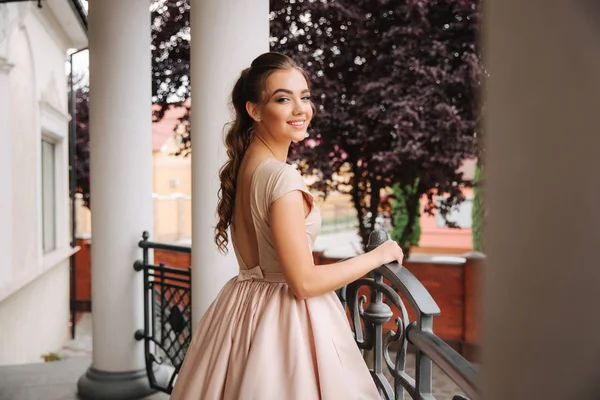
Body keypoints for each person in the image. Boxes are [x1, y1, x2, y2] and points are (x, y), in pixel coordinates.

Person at [170, 52, 404, 400]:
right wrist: (378, 255)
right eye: (283, 98)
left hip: (242, 310)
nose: (301, 109)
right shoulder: (280, 178)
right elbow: (304, 282)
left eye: (305, 96)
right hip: (284, 325)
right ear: (254, 110)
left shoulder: (245, 166)